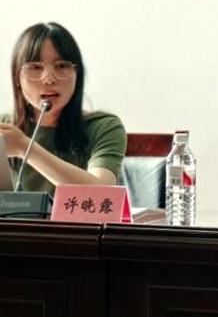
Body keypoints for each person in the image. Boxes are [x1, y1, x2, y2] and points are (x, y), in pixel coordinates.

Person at [1, 22, 126, 194]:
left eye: (61, 66)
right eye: (35, 67)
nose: (49, 79)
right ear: (17, 77)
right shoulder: (5, 129)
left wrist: (25, 148)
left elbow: (100, 192)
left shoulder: (103, 126)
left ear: (77, 75)